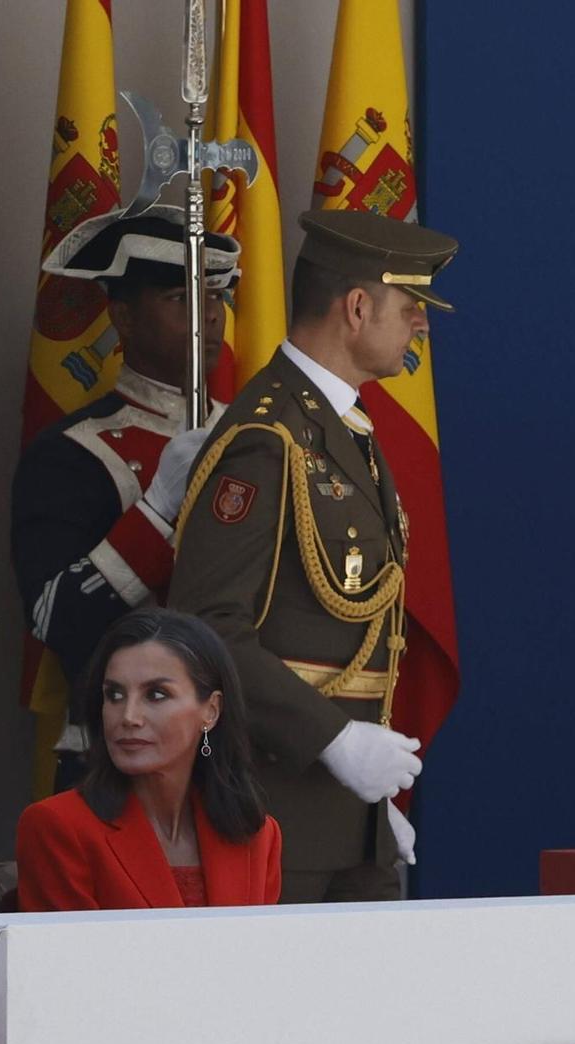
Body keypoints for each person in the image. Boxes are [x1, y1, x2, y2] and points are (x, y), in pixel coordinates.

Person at [169, 210, 458, 903]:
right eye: (411, 307)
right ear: (358, 307)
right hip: (275, 814)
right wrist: (335, 741)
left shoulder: (342, 427)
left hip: (347, 818)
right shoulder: (268, 437)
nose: (421, 324)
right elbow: (204, 629)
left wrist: (367, 799)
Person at [10, 205, 239, 787]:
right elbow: (54, 617)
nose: (207, 315)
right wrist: (157, 509)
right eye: (179, 298)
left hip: (237, 754)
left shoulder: (258, 437)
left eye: (215, 297)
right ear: (124, 317)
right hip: (118, 759)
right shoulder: (70, 452)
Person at [15, 607, 280, 911]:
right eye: (114, 695)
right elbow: (67, 957)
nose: (128, 717)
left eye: (156, 695)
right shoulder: (58, 827)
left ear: (211, 710)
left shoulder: (256, 835)